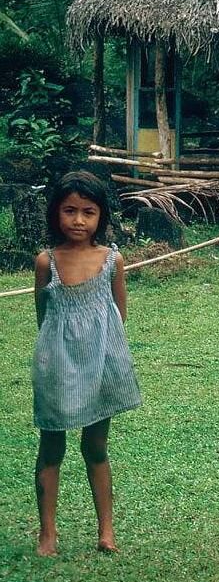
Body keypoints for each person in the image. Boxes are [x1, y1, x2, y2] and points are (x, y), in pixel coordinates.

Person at [32, 170, 141, 556]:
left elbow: (118, 316)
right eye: (69, 211)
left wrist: (101, 353)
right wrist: (59, 354)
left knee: (96, 446)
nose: (78, 220)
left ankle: (106, 531)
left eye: (88, 212)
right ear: (55, 215)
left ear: (101, 217)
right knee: (51, 447)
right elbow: (43, 315)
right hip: (57, 364)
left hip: (102, 365)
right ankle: (48, 533)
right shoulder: (47, 262)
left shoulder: (112, 260)